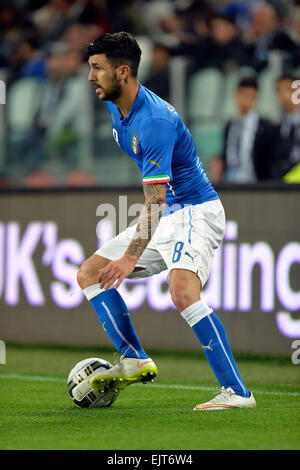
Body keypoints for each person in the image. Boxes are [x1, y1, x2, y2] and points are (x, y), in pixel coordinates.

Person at [77, 32, 256, 411]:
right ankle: (134, 357)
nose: (90, 77)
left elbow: (155, 201)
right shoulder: (114, 104)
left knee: (182, 293)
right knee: (90, 274)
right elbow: (156, 202)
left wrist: (128, 258)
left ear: (122, 72)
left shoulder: (154, 120)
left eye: (97, 68)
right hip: (169, 211)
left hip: (195, 209)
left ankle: (238, 392)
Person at [211, 76, 275, 183]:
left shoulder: (265, 126)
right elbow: (227, 152)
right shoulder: (230, 125)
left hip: (254, 182)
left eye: (252, 97)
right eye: (244, 95)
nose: (247, 101)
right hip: (230, 179)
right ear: (236, 95)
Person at [272, 74, 300, 182]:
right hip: (283, 184)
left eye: (289, 89)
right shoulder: (277, 128)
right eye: (279, 90)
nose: (284, 95)